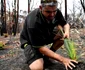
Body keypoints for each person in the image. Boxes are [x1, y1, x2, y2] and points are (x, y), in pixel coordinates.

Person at [20, 0, 78, 70]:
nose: (52, 14)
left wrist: (67, 32)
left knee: (62, 35)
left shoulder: (55, 11)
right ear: (41, 8)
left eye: (54, 11)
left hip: (45, 35)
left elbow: (65, 24)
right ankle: (35, 57)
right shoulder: (33, 22)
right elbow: (41, 48)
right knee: (37, 67)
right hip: (30, 42)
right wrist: (63, 59)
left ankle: (47, 58)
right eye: (48, 12)